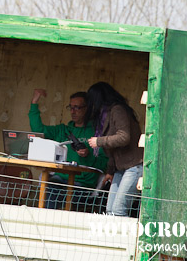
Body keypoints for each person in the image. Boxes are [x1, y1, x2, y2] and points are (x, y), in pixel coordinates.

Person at [29, 89, 108, 210]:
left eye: (77, 107)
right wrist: (34, 102)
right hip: (60, 180)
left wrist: (88, 156)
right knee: (50, 190)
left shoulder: (97, 133)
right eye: (70, 107)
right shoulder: (63, 130)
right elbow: (38, 129)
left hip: (82, 185)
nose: (72, 111)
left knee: (67, 201)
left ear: (88, 109)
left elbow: (104, 164)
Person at [86, 82, 143, 217]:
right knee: (110, 210)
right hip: (121, 168)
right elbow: (114, 150)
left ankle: (122, 238)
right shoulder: (106, 115)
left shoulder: (117, 110)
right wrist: (110, 171)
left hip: (133, 166)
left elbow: (124, 137)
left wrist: (99, 141)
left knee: (118, 209)